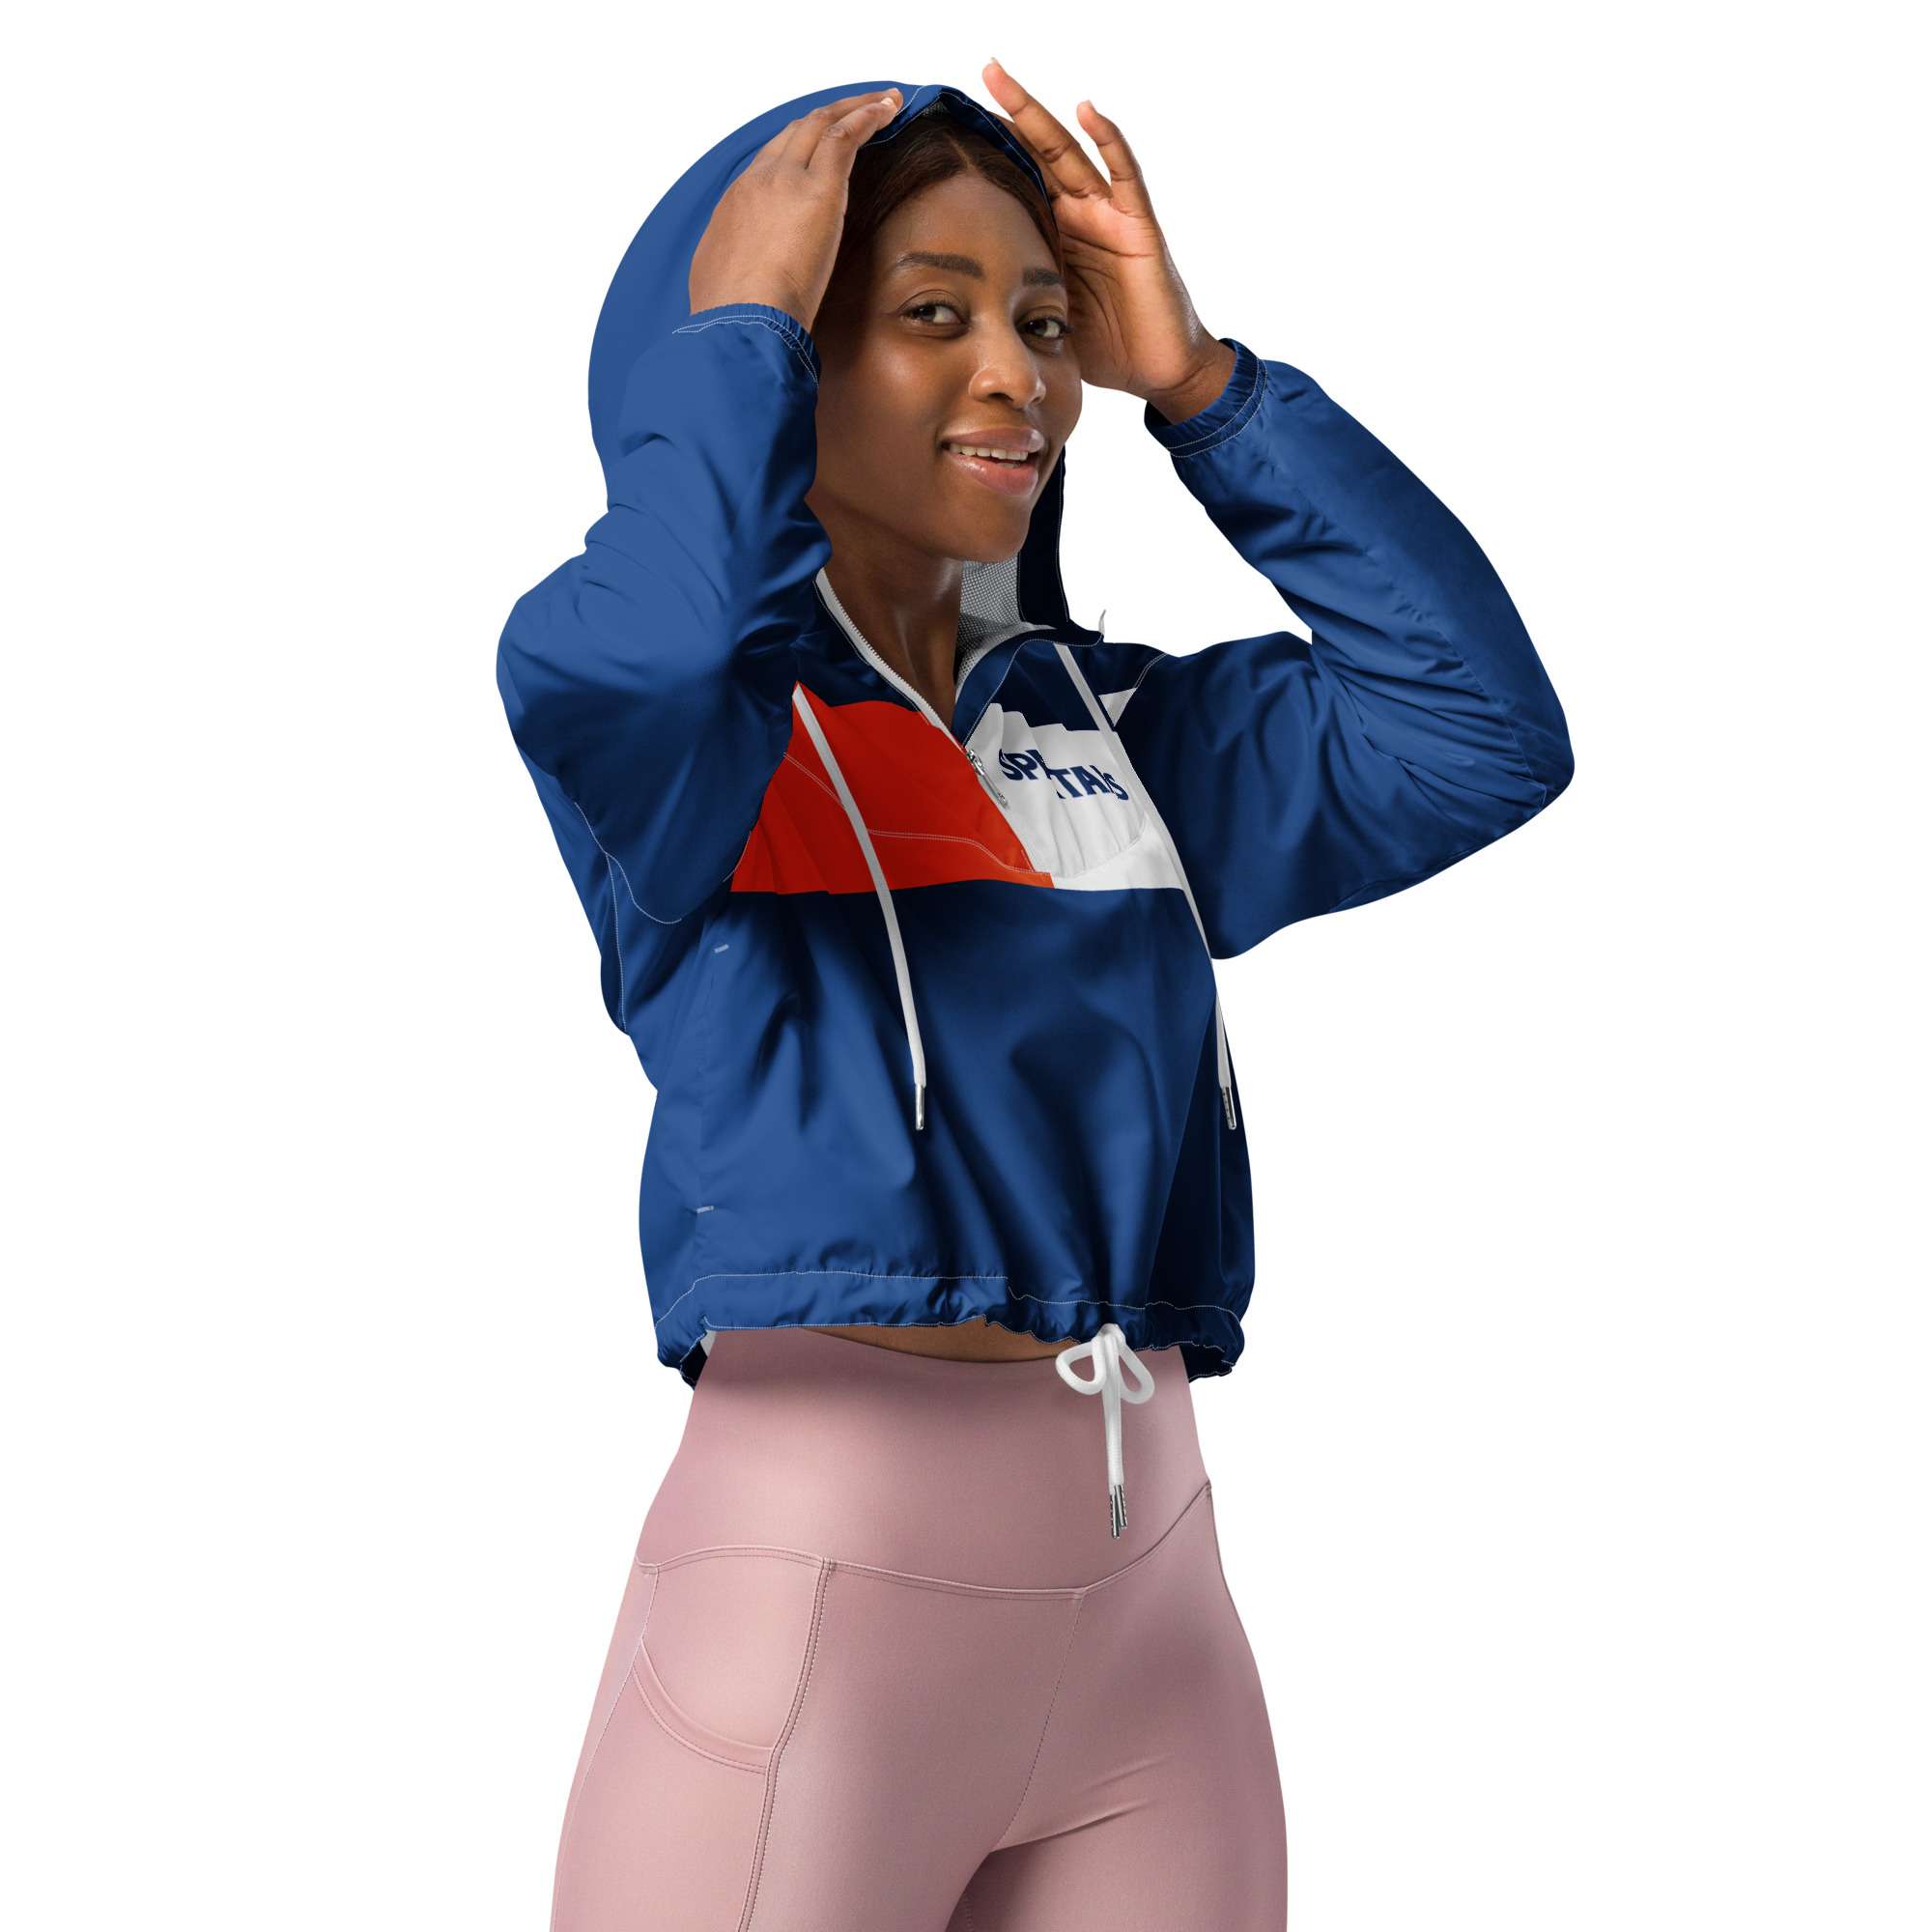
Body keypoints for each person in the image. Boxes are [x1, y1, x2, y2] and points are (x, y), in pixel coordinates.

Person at [496, 67, 1573, 1932]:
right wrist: (730, 342)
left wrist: (1206, 390)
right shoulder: (678, 733)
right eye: (932, 314)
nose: (1021, 377)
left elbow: (1479, 734)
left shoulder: (1119, 730)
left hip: (1154, 1609)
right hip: (816, 1601)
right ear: (783, 351)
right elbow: (657, 648)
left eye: (1046, 323)